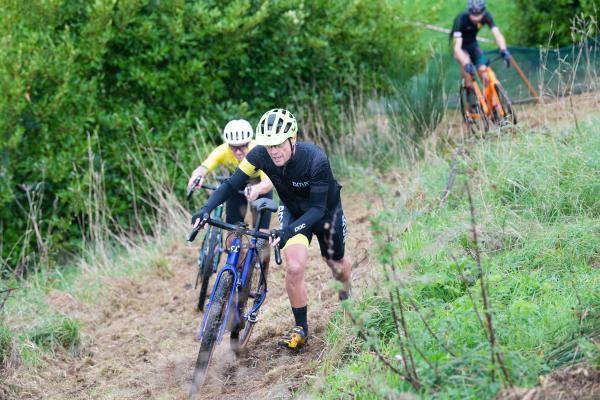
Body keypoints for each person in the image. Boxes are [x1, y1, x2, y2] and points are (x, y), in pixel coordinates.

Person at [191, 109, 351, 350]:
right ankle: (301, 328)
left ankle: (348, 294)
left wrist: (287, 232)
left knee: (336, 263)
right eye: (268, 145)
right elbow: (232, 184)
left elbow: (317, 209)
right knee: (295, 267)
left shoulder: (315, 159)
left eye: (278, 144)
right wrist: (205, 209)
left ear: (292, 140)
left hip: (325, 212)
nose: (273, 151)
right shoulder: (259, 155)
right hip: (293, 211)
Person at [187, 119, 274, 248]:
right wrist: (196, 176)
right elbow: (204, 167)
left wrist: (258, 188)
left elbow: (268, 182)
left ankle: (262, 263)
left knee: (262, 235)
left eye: (243, 146)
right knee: (231, 236)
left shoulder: (258, 151)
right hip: (237, 183)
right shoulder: (222, 150)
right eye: (233, 147)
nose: (238, 151)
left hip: (259, 183)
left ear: (249, 142)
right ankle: (238, 264)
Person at [451, 0, 511, 109]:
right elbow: (457, 48)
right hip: (460, 46)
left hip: (473, 45)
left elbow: (497, 34)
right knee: (467, 66)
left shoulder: (486, 16)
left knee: (484, 72)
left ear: (483, 12)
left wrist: (504, 50)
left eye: (479, 14)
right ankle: (470, 95)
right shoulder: (461, 19)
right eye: (473, 14)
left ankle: (492, 104)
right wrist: (465, 63)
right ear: (469, 11)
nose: (476, 18)